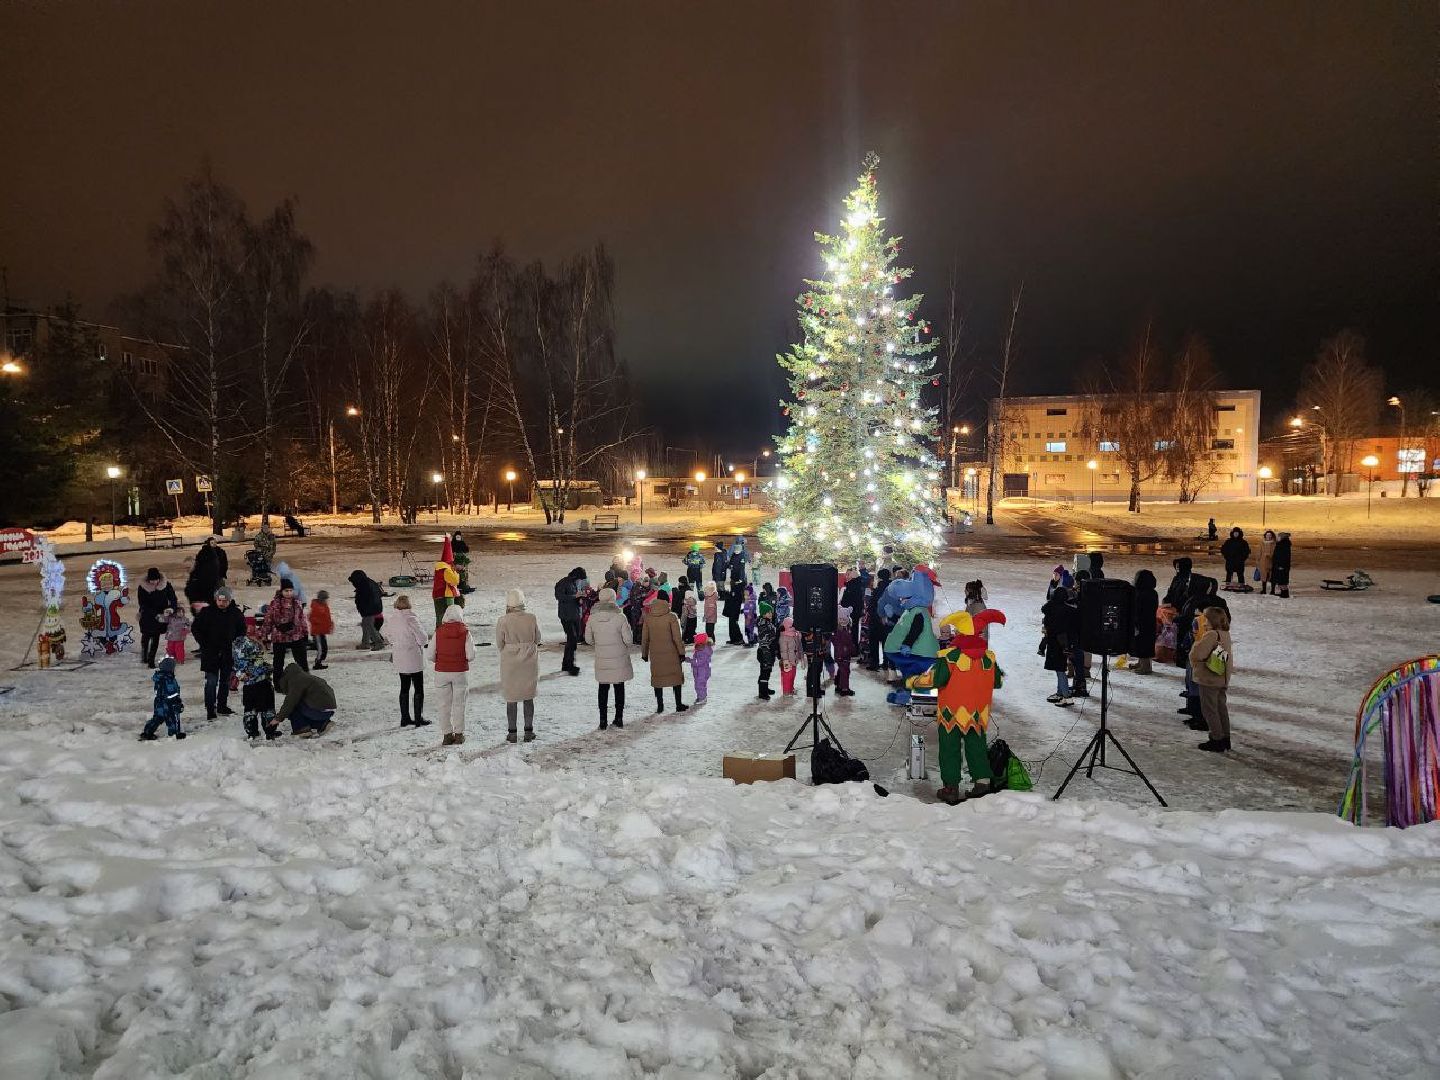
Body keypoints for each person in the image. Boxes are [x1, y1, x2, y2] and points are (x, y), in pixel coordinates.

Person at [906, 608, 1008, 804]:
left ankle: (950, 788)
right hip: (978, 713)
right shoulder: (989, 657)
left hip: (951, 712)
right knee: (976, 746)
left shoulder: (951, 657)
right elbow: (998, 682)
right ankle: (983, 783)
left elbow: (935, 679)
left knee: (949, 749)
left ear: (960, 634)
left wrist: (914, 682)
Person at [192, 586, 245, 719]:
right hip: (211, 653)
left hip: (228, 653)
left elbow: (241, 631)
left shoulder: (236, 613)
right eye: (220, 600)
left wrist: (236, 645)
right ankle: (210, 708)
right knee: (211, 682)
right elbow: (196, 628)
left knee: (225, 682)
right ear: (216, 599)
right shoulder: (206, 612)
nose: (222, 603)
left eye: (225, 601)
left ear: (230, 600)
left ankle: (222, 705)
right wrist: (203, 643)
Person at [496, 588, 541, 743]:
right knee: (528, 697)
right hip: (529, 662)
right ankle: (529, 731)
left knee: (512, 698)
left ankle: (512, 732)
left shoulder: (503, 620)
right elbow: (537, 638)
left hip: (510, 664)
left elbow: (499, 643)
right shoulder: (531, 618)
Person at [426, 604, 476, 746]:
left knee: (443, 704)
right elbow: (471, 655)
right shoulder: (465, 632)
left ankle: (447, 735)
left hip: (441, 672)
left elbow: (430, 655)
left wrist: (440, 660)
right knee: (459, 704)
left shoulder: (439, 632)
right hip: (460, 672)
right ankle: (459, 734)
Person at [585, 586, 633, 730]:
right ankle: (619, 718)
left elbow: (588, 639)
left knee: (603, 688)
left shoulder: (592, 618)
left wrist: (599, 643)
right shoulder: (620, 617)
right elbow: (628, 640)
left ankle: (603, 720)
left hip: (602, 658)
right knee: (619, 688)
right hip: (618, 658)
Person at [1190, 604, 1234, 752]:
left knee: (1209, 709)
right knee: (1221, 708)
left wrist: (1196, 642)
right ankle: (1225, 737)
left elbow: (1198, 654)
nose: (1203, 621)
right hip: (1221, 677)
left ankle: (1216, 738)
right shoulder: (1224, 633)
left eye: (1206, 618)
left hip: (1210, 677)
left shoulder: (1211, 635)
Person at [641, 594, 688, 713]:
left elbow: (645, 638)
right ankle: (678, 704)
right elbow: (677, 637)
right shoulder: (671, 617)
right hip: (671, 653)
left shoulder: (648, 618)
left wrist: (644, 653)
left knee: (658, 679)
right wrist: (681, 652)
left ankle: (660, 706)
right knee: (675, 678)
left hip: (656, 654)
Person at [389, 595, 430, 729]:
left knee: (404, 687)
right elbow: (423, 638)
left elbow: (387, 635)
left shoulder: (392, 619)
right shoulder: (411, 619)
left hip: (400, 657)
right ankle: (418, 718)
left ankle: (405, 718)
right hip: (413, 657)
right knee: (418, 688)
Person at [261, 578, 310, 686]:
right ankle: (278, 684)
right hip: (279, 636)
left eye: (290, 590)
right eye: (286, 591)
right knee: (278, 662)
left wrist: (305, 633)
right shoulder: (275, 604)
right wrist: (264, 635)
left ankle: (307, 682)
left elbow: (302, 619)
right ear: (282, 591)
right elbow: (268, 620)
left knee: (302, 661)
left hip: (296, 635)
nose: (288, 593)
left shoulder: (297, 603)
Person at [233, 637, 278, 739]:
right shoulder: (250, 647)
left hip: (248, 686)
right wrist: (268, 668)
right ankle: (270, 730)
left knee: (249, 709)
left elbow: (240, 670)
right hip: (262, 683)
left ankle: (251, 731)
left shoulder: (236, 648)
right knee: (267, 708)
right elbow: (257, 667)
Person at [275, 663, 337, 737]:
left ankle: (301, 729)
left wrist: (278, 718)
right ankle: (323, 724)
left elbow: (290, 702)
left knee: (293, 707)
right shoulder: (307, 677)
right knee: (301, 705)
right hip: (328, 711)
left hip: (318, 711)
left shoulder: (296, 680)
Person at [1041, 583, 1078, 706]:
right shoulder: (1070, 611)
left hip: (1055, 643)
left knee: (1060, 670)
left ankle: (1066, 696)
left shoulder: (1050, 608)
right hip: (1065, 644)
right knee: (1060, 668)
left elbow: (1045, 611)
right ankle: (1060, 693)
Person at [137, 567, 178, 668]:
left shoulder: (166, 585)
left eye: (156, 580)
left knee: (155, 638)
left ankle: (151, 661)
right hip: (147, 615)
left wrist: (171, 608)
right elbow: (142, 603)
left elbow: (173, 598)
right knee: (146, 637)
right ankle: (144, 655)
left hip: (161, 616)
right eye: (152, 580)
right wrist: (154, 613)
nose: (154, 582)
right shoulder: (142, 587)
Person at [139, 657, 186, 741]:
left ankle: (147, 732)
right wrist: (177, 701)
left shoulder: (161, 677)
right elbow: (170, 693)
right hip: (168, 704)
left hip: (159, 703)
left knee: (157, 718)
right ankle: (174, 733)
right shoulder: (168, 679)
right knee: (171, 718)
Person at [555, 567, 586, 675]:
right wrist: (575, 596)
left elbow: (572, 599)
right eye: (580, 579)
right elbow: (559, 596)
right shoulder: (563, 582)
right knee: (572, 640)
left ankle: (567, 664)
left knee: (573, 640)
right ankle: (569, 665)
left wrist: (579, 598)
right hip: (566, 616)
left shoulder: (573, 583)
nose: (580, 581)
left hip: (574, 615)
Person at [348, 569, 387, 650]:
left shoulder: (364, 585)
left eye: (353, 581)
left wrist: (365, 608)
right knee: (365, 625)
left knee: (369, 625)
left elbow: (364, 598)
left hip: (369, 609)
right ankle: (365, 643)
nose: (352, 583)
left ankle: (379, 643)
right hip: (372, 608)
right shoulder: (368, 582)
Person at [1131, 569, 1159, 675]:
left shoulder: (1140, 593)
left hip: (1142, 622)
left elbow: (1137, 609)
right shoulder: (1153, 593)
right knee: (1144, 644)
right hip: (1150, 622)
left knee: (1143, 645)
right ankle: (1141, 663)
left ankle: (1146, 667)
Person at [865, 568, 894, 670]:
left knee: (874, 641)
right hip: (889, 619)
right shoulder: (892, 589)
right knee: (887, 642)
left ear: (879, 577)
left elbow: (872, 605)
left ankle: (874, 663)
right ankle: (886, 663)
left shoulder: (877, 589)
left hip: (876, 619)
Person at [755, 600, 778, 699]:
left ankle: (764, 688)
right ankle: (762, 693)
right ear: (764, 614)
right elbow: (769, 636)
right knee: (765, 671)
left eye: (771, 612)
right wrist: (777, 634)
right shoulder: (763, 624)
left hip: (767, 650)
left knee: (766, 671)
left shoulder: (767, 622)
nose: (771, 614)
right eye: (768, 612)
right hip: (765, 651)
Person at [832, 610, 856, 696]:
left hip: (846, 654)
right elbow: (837, 644)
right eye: (841, 619)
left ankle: (838, 685)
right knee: (845, 671)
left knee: (843, 670)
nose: (843, 621)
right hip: (841, 655)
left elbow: (849, 642)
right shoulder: (838, 631)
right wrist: (840, 654)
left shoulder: (847, 629)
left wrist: (852, 649)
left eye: (845, 618)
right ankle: (844, 689)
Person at [778, 617, 804, 695]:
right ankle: (786, 692)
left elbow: (798, 646)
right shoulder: (783, 637)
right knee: (787, 676)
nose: (793, 627)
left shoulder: (795, 634)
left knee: (792, 675)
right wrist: (785, 660)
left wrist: (800, 657)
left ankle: (791, 688)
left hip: (794, 660)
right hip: (787, 661)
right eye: (791, 626)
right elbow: (783, 650)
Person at [309, 589, 333, 669]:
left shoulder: (324, 606)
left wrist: (330, 625)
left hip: (322, 631)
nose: (327, 600)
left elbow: (327, 618)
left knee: (324, 648)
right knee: (320, 648)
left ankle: (320, 661)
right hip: (317, 632)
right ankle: (317, 663)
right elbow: (311, 618)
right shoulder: (316, 607)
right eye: (326, 599)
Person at [691, 631, 713, 703]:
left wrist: (690, 660)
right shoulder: (701, 649)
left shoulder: (702, 651)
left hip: (702, 672)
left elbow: (699, 662)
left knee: (699, 685)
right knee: (700, 684)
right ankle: (701, 696)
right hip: (701, 671)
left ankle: (702, 698)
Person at [722, 579, 745, 645]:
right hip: (732, 611)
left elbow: (735, 600)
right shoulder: (734, 590)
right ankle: (733, 639)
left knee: (734, 625)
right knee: (731, 625)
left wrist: (728, 595)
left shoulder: (737, 590)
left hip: (735, 611)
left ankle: (739, 639)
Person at [1271, 532, 1293, 598]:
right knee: (1280, 581)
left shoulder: (1284, 545)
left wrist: (1281, 565)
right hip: (1279, 565)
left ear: (1282, 537)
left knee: (1282, 581)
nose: (1277, 538)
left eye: (1278, 536)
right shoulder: (1281, 544)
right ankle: (1283, 593)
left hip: (1282, 566)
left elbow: (1284, 557)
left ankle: (1285, 594)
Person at [1258, 529, 1277, 594]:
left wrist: (1270, 555)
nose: (1268, 536)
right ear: (1265, 536)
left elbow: (1276, 553)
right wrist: (1258, 561)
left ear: (1272, 536)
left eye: (1270, 535)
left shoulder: (1274, 544)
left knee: (1272, 576)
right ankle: (1264, 590)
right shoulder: (1262, 543)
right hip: (1263, 562)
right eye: (1267, 535)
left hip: (1272, 562)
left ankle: (1272, 590)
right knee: (1264, 577)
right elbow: (1259, 552)